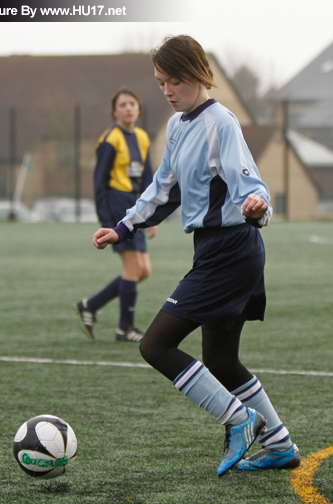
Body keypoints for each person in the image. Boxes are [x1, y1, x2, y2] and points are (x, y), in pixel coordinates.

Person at [90, 35, 299, 476]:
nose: (167, 90)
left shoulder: (220, 122)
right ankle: (280, 444)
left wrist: (259, 207)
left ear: (199, 75)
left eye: (175, 81)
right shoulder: (178, 125)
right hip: (215, 250)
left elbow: (252, 186)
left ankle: (240, 420)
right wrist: (123, 226)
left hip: (233, 250)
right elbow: (163, 189)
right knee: (221, 360)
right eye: (161, 82)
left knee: (155, 344)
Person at [74, 89, 157, 343]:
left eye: (133, 103)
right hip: (117, 203)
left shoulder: (142, 137)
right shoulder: (110, 139)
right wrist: (107, 222)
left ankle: (91, 305)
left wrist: (151, 214)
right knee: (132, 268)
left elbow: (149, 178)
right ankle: (125, 328)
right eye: (123, 105)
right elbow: (99, 182)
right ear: (115, 112)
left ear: (139, 109)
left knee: (144, 270)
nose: (129, 108)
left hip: (136, 204)